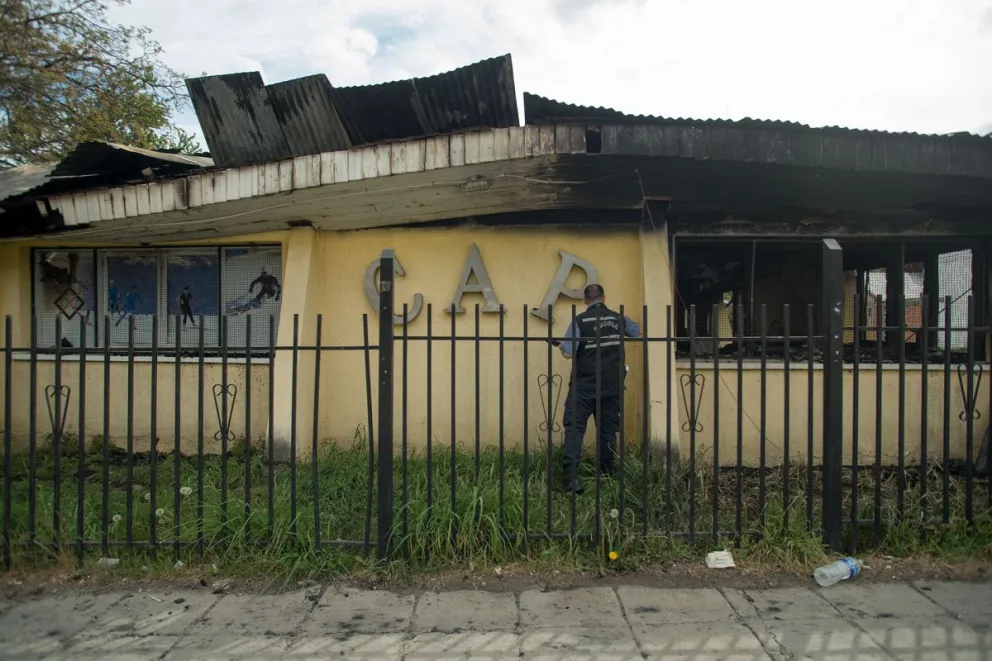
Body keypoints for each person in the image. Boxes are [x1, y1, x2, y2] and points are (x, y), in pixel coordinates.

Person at [558, 283, 640, 494]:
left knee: (574, 428)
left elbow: (568, 352)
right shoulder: (618, 318)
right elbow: (636, 332)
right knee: (607, 430)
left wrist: (560, 346)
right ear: (604, 299)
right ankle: (606, 474)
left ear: (585, 301)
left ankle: (571, 479)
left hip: (584, 387)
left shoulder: (579, 321)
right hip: (611, 386)